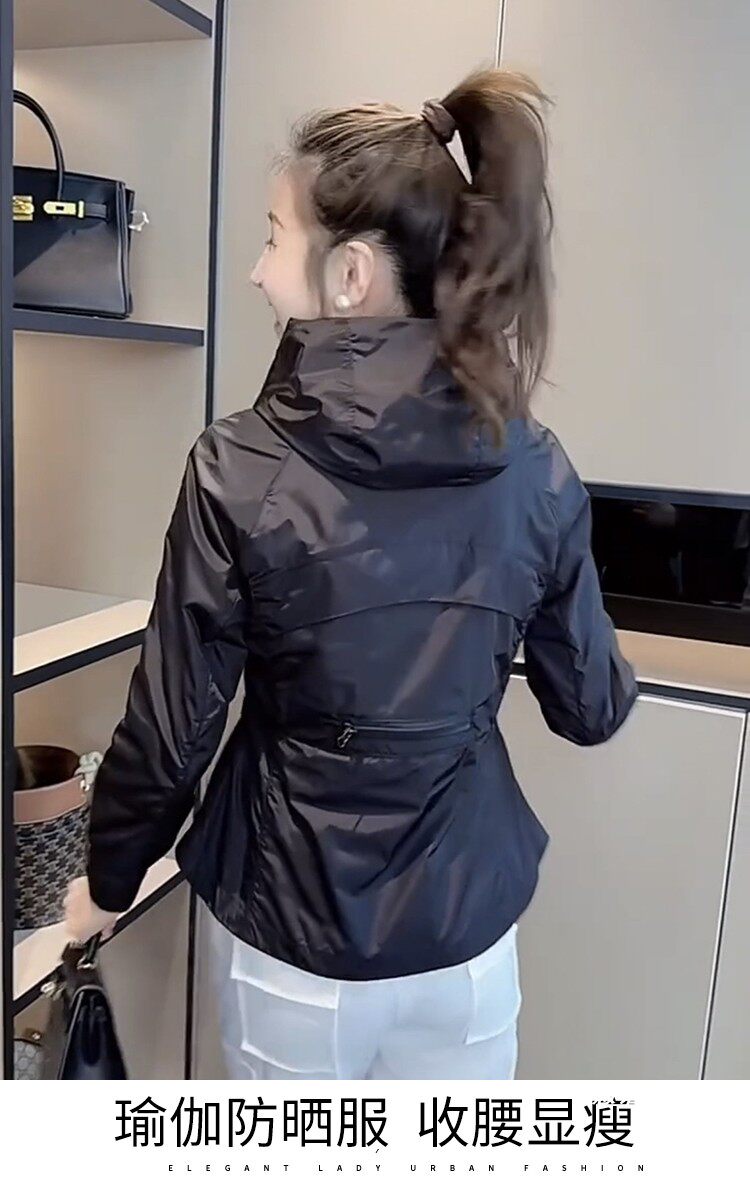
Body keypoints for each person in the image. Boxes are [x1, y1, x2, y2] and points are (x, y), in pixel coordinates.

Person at [63, 66, 639, 1079]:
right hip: (467, 942)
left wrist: (107, 882)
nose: (256, 271)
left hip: (295, 933)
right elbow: (592, 707)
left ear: (352, 275)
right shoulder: (538, 466)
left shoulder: (239, 465)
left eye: (273, 237)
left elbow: (172, 730)